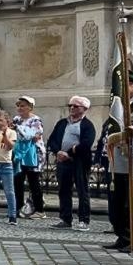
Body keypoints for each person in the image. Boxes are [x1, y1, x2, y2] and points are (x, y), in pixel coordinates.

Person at [47, 95, 96, 230]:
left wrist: (69, 153)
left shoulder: (87, 125)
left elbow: (86, 144)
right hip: (62, 161)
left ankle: (83, 220)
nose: (72, 108)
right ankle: (65, 218)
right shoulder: (62, 123)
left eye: (75, 106)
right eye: (70, 106)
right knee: (63, 190)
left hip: (79, 161)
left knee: (82, 190)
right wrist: (58, 152)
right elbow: (52, 140)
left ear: (84, 109)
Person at [105, 89, 133, 251]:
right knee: (118, 202)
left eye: (130, 84)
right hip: (119, 161)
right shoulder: (118, 105)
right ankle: (123, 236)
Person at [11, 96, 46, 219]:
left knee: (33, 182)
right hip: (19, 153)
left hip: (33, 154)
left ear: (30, 107)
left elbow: (33, 136)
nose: (20, 108)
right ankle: (18, 207)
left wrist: (20, 131)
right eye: (19, 105)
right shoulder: (16, 119)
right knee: (17, 181)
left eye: (23, 105)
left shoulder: (35, 120)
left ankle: (39, 209)